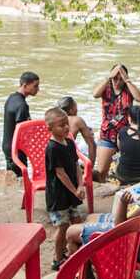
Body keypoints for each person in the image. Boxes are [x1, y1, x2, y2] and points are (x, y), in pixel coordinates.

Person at [65, 161, 140, 261]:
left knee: (71, 232)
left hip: (132, 247)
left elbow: (118, 228)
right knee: (90, 217)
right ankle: (86, 264)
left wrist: (123, 203)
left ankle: (85, 272)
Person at [44, 107, 87, 270]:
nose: (66, 128)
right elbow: (60, 173)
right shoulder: (52, 148)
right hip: (58, 195)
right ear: (50, 128)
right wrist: (75, 189)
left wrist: (81, 184)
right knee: (62, 226)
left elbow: (76, 164)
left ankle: (75, 253)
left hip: (73, 191)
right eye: (61, 125)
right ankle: (58, 257)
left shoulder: (69, 142)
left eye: (66, 124)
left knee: (76, 221)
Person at [93, 64, 140, 182]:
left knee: (130, 171)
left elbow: (139, 98)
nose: (117, 81)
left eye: (120, 79)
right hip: (107, 134)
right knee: (101, 172)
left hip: (125, 135)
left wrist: (127, 80)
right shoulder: (106, 87)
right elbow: (95, 94)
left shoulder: (128, 89)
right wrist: (108, 78)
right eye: (115, 78)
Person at [1, 72, 40, 176]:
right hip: (16, 148)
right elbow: (22, 131)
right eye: (35, 86)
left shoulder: (11, 98)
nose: (38, 89)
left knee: (12, 176)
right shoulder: (22, 105)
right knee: (20, 178)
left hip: (7, 145)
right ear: (25, 85)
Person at [57, 96, 98, 163]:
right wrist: (90, 167)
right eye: (75, 107)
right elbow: (92, 144)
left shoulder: (52, 119)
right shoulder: (76, 120)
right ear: (71, 110)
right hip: (67, 158)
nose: (77, 109)